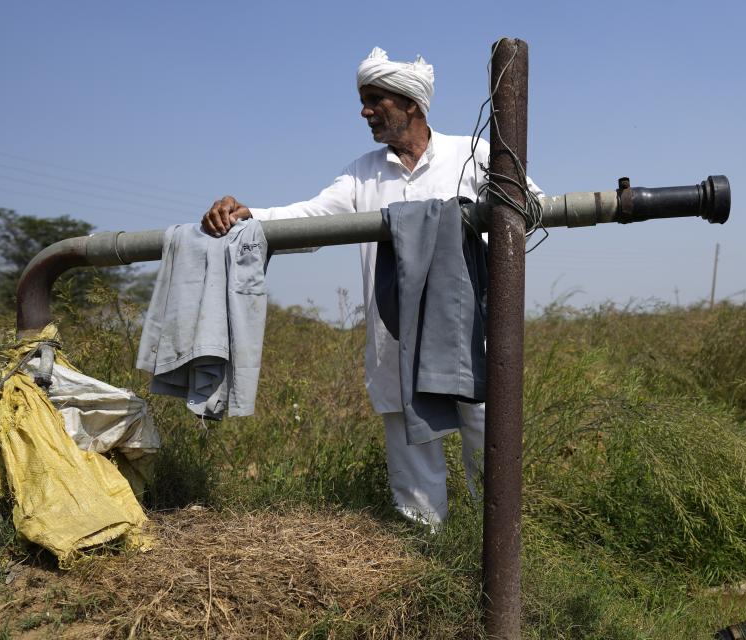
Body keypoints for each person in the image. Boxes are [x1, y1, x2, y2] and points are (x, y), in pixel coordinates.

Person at [201, 47, 542, 529]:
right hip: (394, 336)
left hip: (467, 330)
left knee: (488, 433)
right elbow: (313, 217)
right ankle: (429, 556)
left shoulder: (473, 156)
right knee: (411, 451)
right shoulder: (363, 172)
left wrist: (475, 225)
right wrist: (250, 214)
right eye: (363, 100)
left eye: (374, 99)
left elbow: (531, 207)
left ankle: (497, 545)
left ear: (411, 104)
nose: (364, 112)